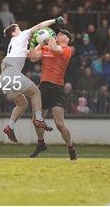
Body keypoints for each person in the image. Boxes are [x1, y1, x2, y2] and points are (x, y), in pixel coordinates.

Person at [1, 17, 65, 142]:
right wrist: (55, 20)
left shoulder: (15, 44)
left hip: (4, 76)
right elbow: (40, 25)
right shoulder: (21, 35)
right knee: (36, 92)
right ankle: (39, 119)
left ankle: (10, 127)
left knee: (22, 104)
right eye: (19, 28)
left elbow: (31, 55)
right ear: (14, 32)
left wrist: (41, 44)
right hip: (12, 72)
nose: (22, 29)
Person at [29, 29, 77, 160]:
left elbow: (55, 49)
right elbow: (33, 57)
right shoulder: (47, 47)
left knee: (60, 124)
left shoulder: (66, 49)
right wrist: (37, 43)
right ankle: (41, 143)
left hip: (56, 89)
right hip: (43, 87)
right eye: (57, 34)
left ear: (67, 39)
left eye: (61, 34)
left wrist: (48, 37)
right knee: (36, 121)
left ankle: (71, 147)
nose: (57, 35)